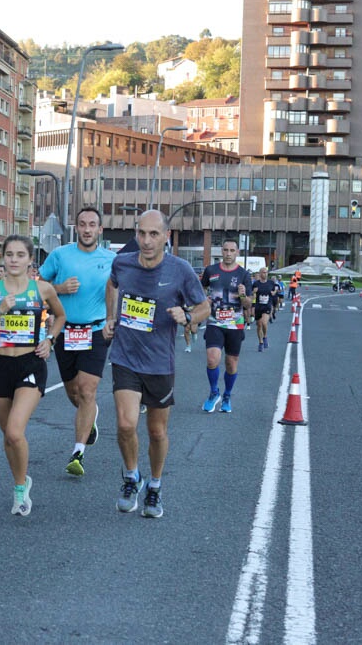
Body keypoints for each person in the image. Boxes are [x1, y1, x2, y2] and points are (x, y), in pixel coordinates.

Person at [102, 211, 209, 518]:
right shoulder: (122, 263)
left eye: (153, 234)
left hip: (160, 362)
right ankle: (132, 476)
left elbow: (204, 307)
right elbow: (112, 285)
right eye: (141, 234)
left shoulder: (180, 270)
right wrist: (111, 317)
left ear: (166, 236)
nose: (146, 241)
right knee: (125, 425)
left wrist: (187, 317)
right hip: (125, 356)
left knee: (157, 432)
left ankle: (155, 485)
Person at [0, 235, 64, 515]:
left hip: (31, 363)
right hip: (1, 367)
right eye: (9, 254)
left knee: (15, 430)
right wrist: (0, 310)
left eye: (20, 255)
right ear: (2, 258)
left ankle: (19, 491)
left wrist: (49, 339)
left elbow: (60, 316)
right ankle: (21, 479)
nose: (14, 259)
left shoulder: (43, 289)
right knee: (7, 436)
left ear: (29, 259)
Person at [38, 206, 115, 477]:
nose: (86, 229)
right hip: (65, 331)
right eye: (82, 224)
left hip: (95, 331)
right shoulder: (60, 256)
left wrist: (111, 319)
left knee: (87, 390)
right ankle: (90, 416)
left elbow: (119, 289)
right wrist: (58, 289)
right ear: (76, 227)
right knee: (74, 393)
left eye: (92, 224)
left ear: (100, 229)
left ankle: (78, 452)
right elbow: (37, 284)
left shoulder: (111, 259)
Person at [201, 237, 253, 413]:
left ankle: (227, 395)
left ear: (237, 252)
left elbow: (248, 304)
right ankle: (213, 392)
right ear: (221, 252)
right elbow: (200, 289)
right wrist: (204, 299)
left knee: (231, 364)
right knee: (212, 359)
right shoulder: (211, 270)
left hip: (235, 324)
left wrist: (243, 296)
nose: (228, 254)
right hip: (215, 322)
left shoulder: (244, 275)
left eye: (232, 250)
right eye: (225, 250)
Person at [250, 267, 274, 352]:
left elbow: (275, 290)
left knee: (264, 323)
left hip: (267, 306)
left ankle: (265, 337)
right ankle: (260, 342)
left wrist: (274, 292)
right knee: (259, 325)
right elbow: (250, 294)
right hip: (258, 307)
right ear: (260, 274)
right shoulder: (256, 283)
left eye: (266, 272)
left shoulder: (271, 283)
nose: (265, 274)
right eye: (263, 272)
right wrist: (254, 292)